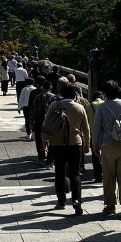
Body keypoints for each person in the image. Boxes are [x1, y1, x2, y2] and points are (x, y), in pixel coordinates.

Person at [91, 80, 121, 218]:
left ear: (105, 93)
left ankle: (110, 205)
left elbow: (96, 127)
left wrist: (95, 144)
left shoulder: (102, 107)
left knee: (109, 175)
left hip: (107, 144)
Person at [42, 83, 90, 215]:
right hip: (75, 144)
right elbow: (86, 129)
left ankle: (61, 201)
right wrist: (87, 144)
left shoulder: (54, 105)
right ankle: (76, 200)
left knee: (60, 172)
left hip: (57, 144)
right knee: (75, 173)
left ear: (62, 94)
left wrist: (44, 141)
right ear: (74, 95)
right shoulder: (80, 107)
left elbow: (46, 124)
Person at [31, 80, 56, 164]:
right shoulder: (54, 97)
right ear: (50, 88)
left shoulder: (37, 97)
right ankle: (50, 159)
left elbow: (33, 111)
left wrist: (32, 122)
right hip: (50, 121)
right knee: (51, 140)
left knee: (38, 139)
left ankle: (41, 157)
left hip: (39, 120)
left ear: (42, 88)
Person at [85, 90, 104, 182]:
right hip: (105, 133)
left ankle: (98, 176)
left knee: (95, 155)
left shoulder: (88, 106)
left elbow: (86, 122)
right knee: (106, 154)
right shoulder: (105, 104)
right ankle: (107, 174)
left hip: (93, 133)